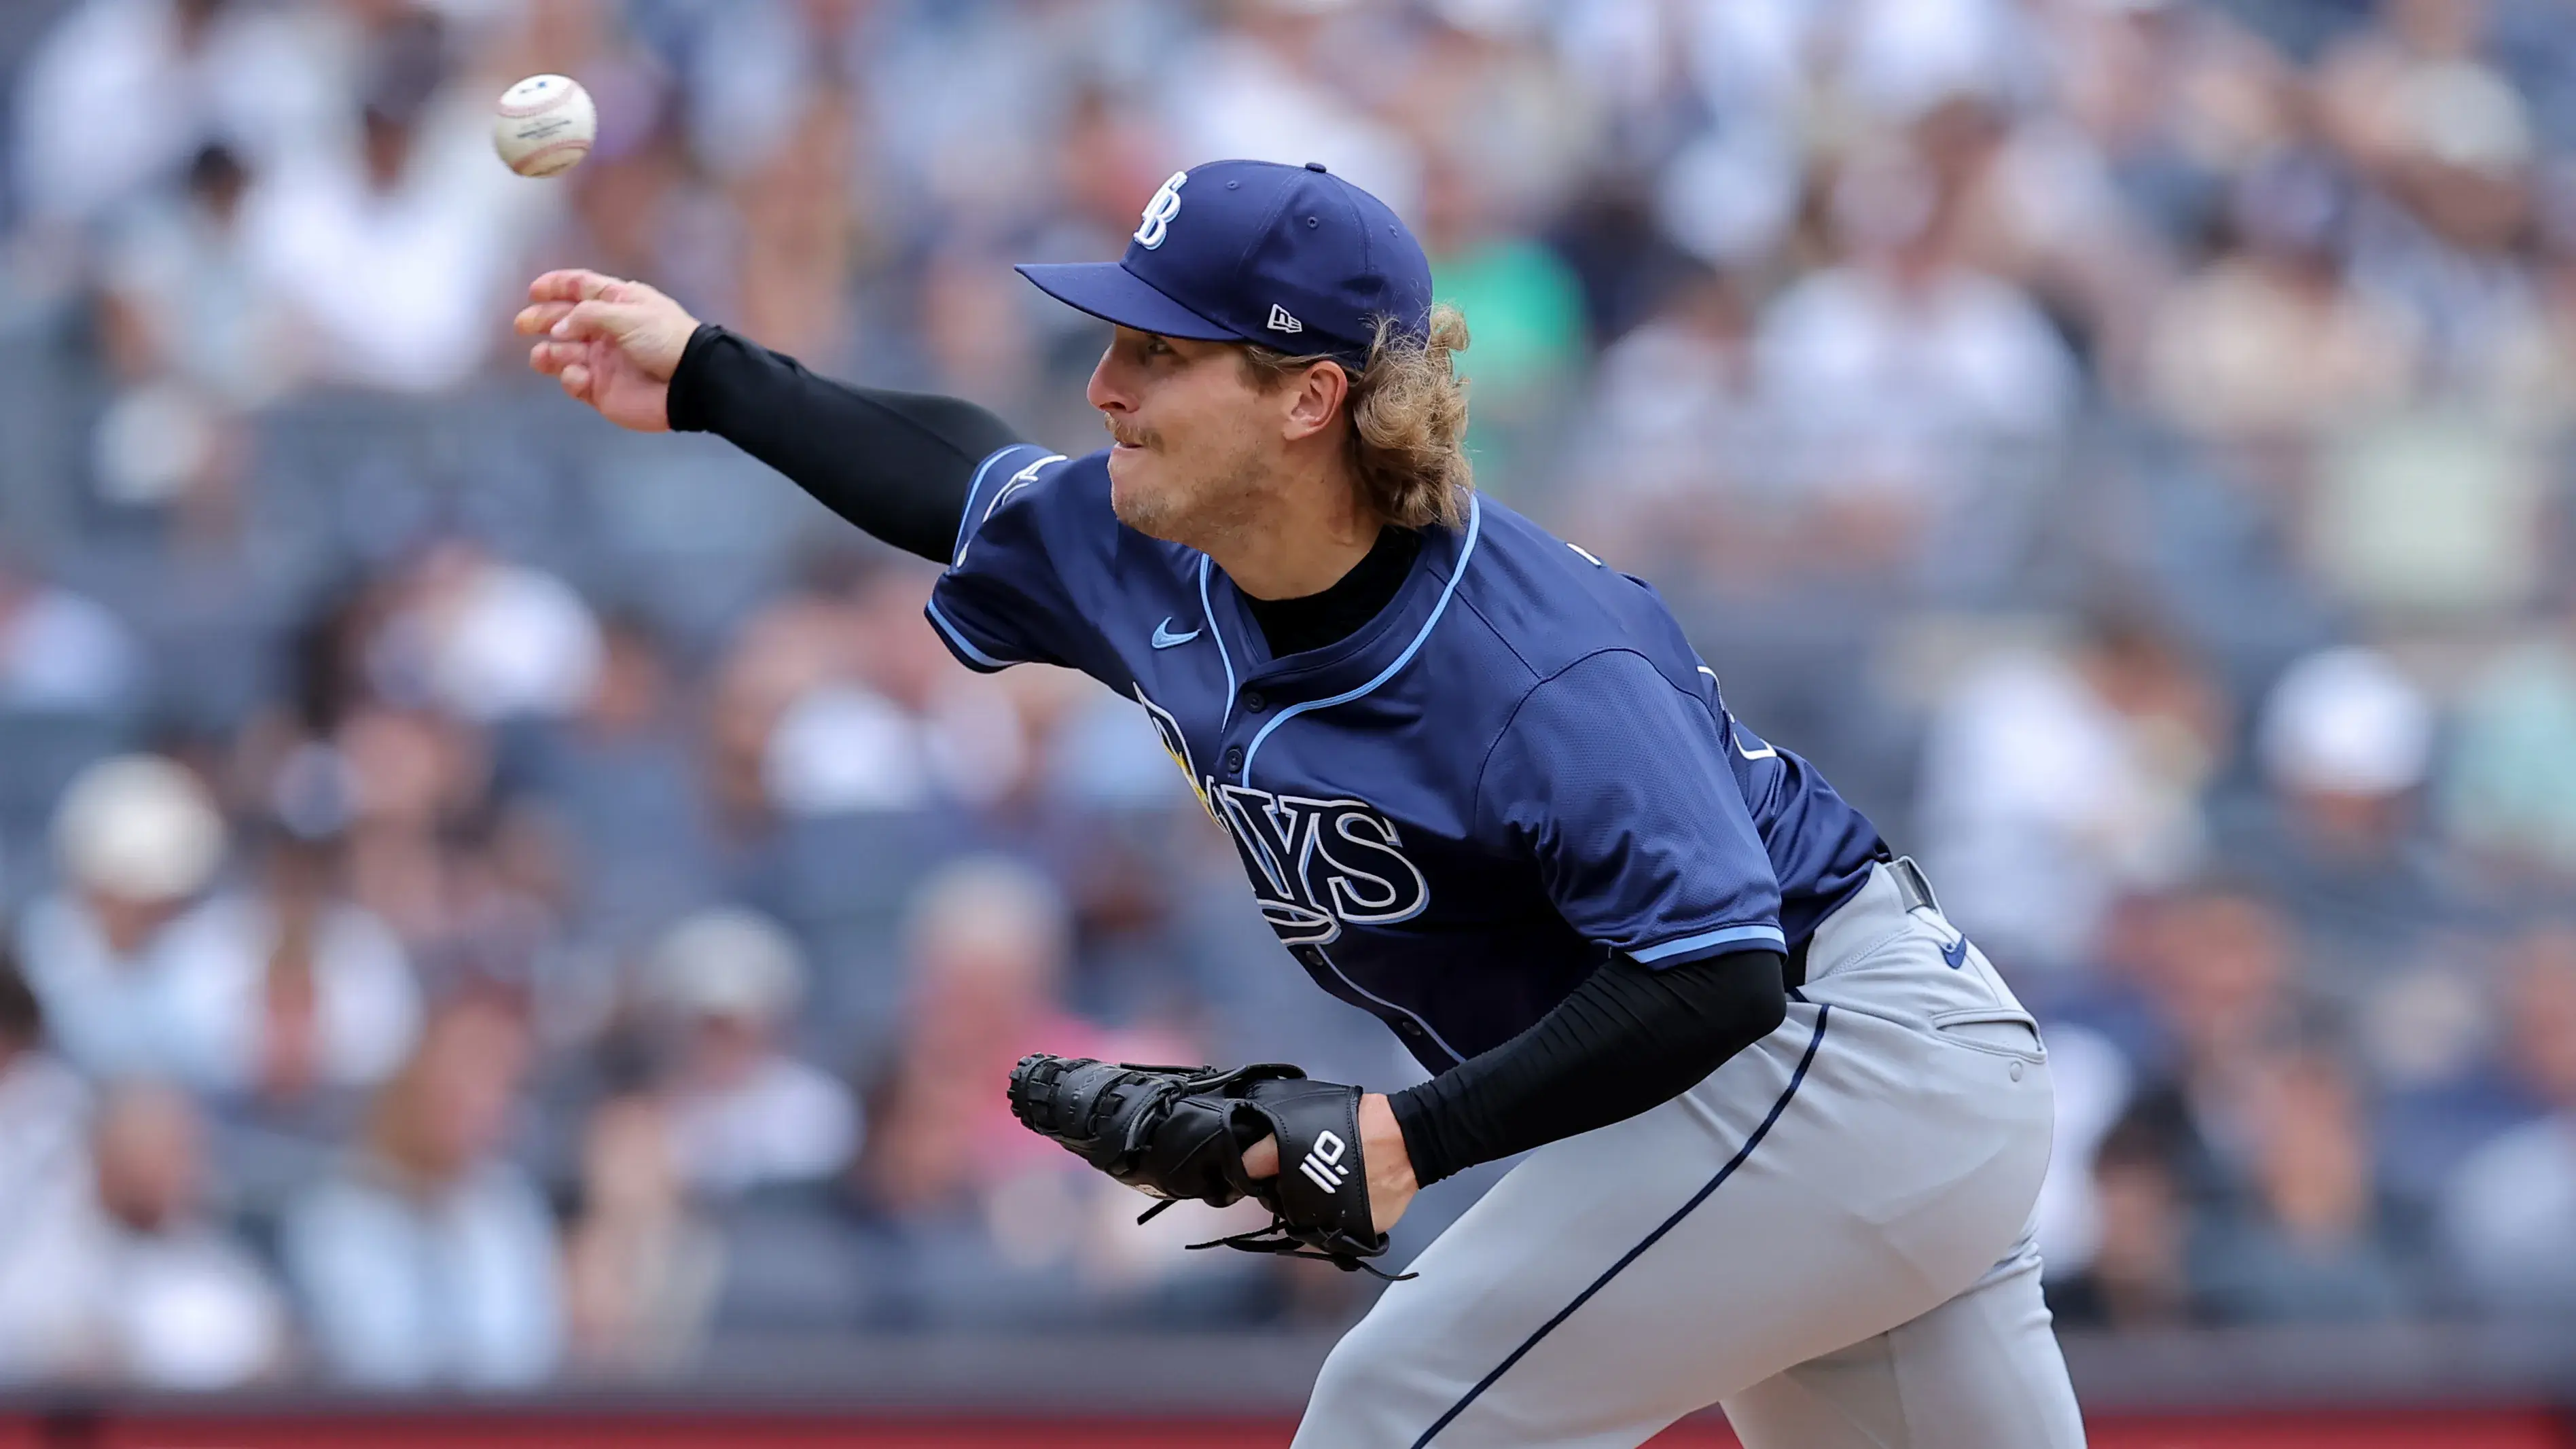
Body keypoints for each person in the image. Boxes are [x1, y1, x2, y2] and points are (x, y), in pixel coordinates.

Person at [516, 158, 2081, 1448]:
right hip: (1795, 1107)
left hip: (1833, 1057)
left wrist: (1404, 1137)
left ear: (1308, 397)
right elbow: (958, 475)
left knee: (1397, 1415)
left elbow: (1719, 969)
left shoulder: (1534, 659)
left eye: (1159, 353)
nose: (1105, 385)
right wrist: (713, 373)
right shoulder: (1155, 549)